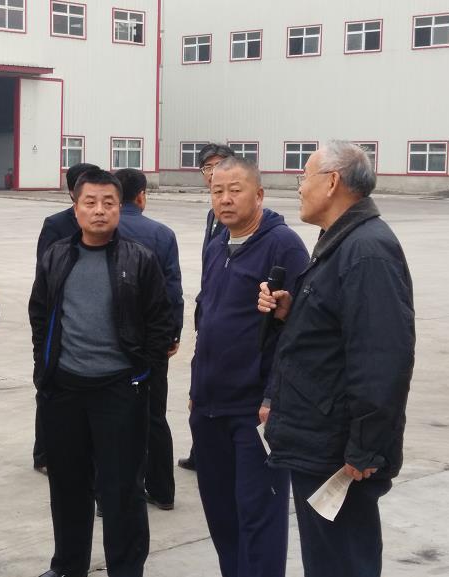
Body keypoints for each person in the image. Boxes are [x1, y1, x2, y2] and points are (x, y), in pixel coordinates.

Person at [258, 141, 415, 577]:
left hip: (340, 449)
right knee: (327, 560)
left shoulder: (367, 251)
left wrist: (366, 446)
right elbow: (336, 331)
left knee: (343, 561)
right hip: (320, 436)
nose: (299, 187)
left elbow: (383, 357)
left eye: (304, 176)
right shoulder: (340, 241)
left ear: (331, 183)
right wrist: (293, 313)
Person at [29, 168, 173, 577]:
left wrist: (141, 376)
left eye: (108, 203)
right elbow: (40, 314)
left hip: (119, 390)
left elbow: (159, 323)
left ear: (119, 208)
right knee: (68, 485)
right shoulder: (57, 255)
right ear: (75, 208)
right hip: (65, 390)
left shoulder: (140, 258)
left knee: (122, 490)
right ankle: (67, 565)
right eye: (89, 202)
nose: (99, 210)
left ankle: (125, 569)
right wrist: (45, 368)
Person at [190, 156, 308, 577]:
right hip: (209, 405)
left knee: (259, 517)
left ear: (259, 194)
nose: (224, 199)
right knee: (222, 515)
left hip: (254, 411)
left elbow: (299, 333)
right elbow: (207, 319)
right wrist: (196, 388)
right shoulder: (216, 244)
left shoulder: (283, 246)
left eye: (235, 190)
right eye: (217, 191)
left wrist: (274, 397)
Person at [115, 167, 183, 510]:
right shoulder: (162, 234)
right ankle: (162, 491)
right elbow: (172, 289)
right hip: (152, 338)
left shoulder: (104, 231)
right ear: (142, 196)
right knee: (154, 414)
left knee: (113, 418)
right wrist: (173, 333)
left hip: (112, 341)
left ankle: (113, 492)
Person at [32, 161, 99, 473]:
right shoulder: (56, 224)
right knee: (49, 388)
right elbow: (44, 272)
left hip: (90, 323)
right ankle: (44, 454)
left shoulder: (105, 222)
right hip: (58, 319)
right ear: (73, 192)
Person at [178, 142, 235, 472]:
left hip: (230, 313)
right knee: (201, 374)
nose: (213, 173)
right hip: (209, 305)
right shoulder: (213, 214)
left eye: (219, 165)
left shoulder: (238, 212)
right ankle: (202, 448)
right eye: (207, 168)